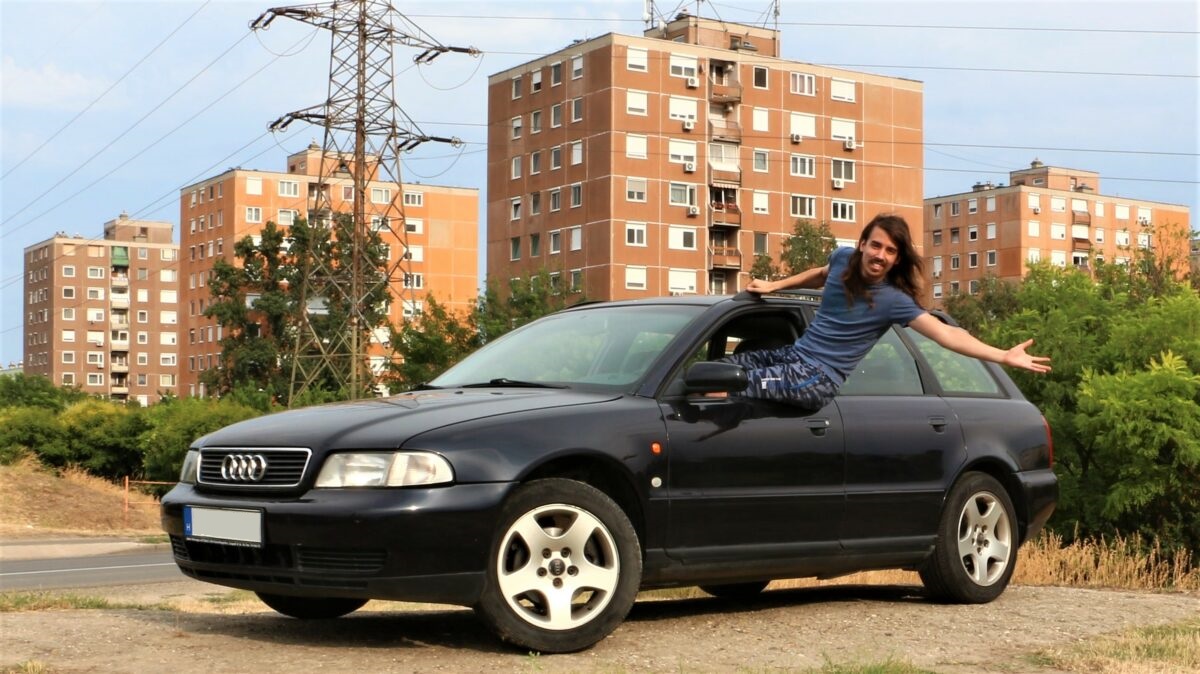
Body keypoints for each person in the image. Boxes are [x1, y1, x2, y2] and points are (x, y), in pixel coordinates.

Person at [722, 213, 1050, 408]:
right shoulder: (842, 259)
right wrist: (775, 286)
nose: (880, 255)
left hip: (816, 378)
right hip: (795, 356)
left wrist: (1003, 355)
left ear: (896, 259)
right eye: (876, 245)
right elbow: (821, 274)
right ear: (862, 244)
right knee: (715, 370)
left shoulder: (894, 301)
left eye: (890, 251)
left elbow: (946, 334)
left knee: (722, 387)